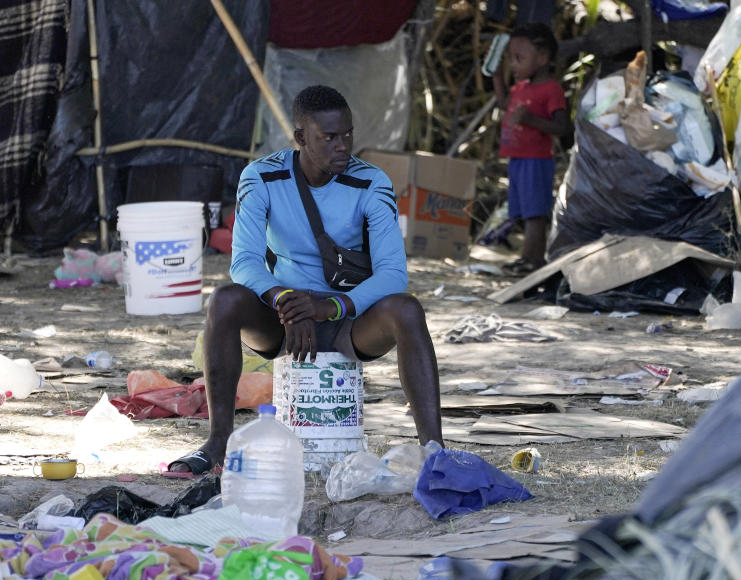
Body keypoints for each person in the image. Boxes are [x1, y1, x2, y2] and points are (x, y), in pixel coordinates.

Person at [168, 85, 443, 475]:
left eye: (347, 134)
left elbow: (393, 274)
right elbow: (244, 261)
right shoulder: (261, 176)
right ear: (300, 138)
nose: (343, 146)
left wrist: (330, 305)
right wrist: (284, 300)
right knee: (224, 300)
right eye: (329, 137)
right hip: (285, 319)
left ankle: (435, 452)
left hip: (351, 319)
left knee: (407, 309)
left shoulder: (372, 183)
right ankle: (218, 443)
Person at [492, 22, 570, 276]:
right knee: (523, 211)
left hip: (536, 160)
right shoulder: (520, 87)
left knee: (535, 213)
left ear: (543, 57)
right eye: (510, 59)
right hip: (517, 158)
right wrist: (495, 77)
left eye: (519, 58)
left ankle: (533, 260)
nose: (513, 65)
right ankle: (528, 257)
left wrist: (531, 120)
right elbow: (505, 104)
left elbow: (562, 127)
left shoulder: (551, 90)